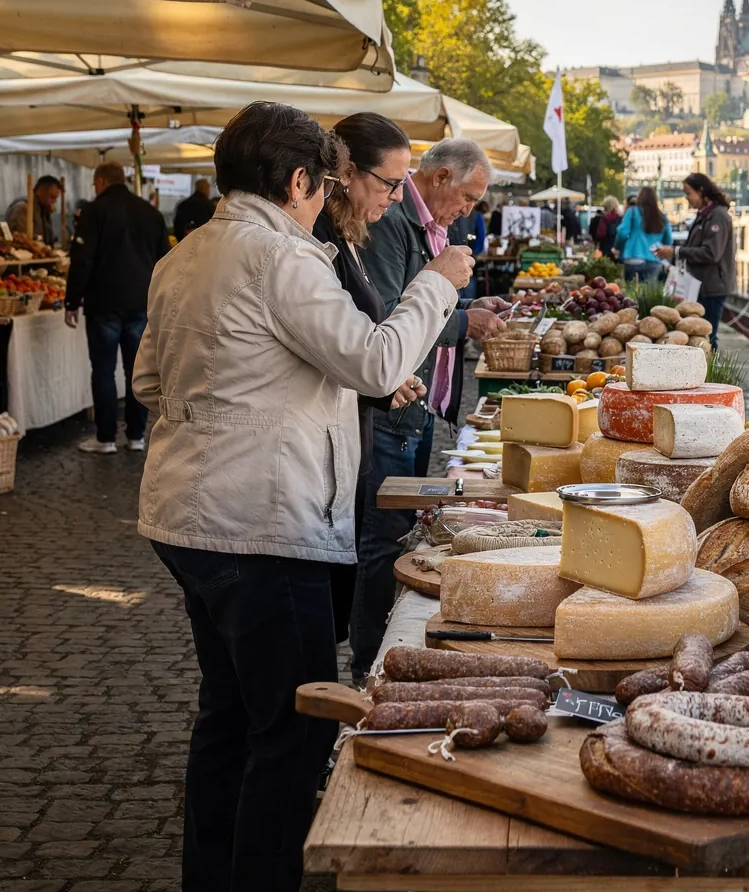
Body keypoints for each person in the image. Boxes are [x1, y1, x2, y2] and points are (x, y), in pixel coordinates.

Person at [134, 101, 471, 891]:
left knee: (228, 715)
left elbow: (149, 380)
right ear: (297, 182)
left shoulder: (186, 254)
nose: (325, 200)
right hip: (260, 520)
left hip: (189, 514)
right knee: (293, 727)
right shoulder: (281, 255)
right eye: (322, 185)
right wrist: (434, 284)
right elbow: (377, 360)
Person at [353, 138, 508, 679]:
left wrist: (468, 305)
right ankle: (370, 660)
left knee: (400, 533)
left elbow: (424, 299)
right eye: (468, 197)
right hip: (392, 406)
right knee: (383, 541)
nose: (469, 210)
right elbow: (392, 316)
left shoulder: (430, 226)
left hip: (414, 408)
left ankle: (382, 649)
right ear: (440, 177)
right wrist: (464, 322)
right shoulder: (394, 224)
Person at [317, 113, 428, 640]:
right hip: (317, 458)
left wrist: (385, 387)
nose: (399, 196)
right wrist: (437, 284)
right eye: (390, 183)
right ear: (346, 173)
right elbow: (356, 346)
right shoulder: (317, 243)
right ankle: (364, 653)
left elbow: (346, 347)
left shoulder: (348, 234)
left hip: (347, 432)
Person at [65, 161, 167, 454]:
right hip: (141, 303)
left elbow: (82, 259)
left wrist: (72, 301)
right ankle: (136, 436)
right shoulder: (150, 212)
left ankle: (106, 438)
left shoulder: (94, 211)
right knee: (137, 372)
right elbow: (165, 260)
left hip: (103, 303)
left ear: (100, 181)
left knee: (103, 371)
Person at [657, 172, 736, 347]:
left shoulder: (717, 216)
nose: (686, 198)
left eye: (688, 193)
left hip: (712, 286)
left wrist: (677, 251)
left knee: (707, 334)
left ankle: (710, 363)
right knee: (701, 333)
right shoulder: (705, 214)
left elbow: (711, 253)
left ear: (701, 191)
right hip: (702, 284)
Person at [615, 185, 672, 282]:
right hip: (654, 259)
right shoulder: (662, 217)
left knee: (631, 289)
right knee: (649, 290)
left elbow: (622, 232)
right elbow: (668, 241)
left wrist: (617, 247)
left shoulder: (632, 212)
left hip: (633, 257)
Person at [4, 175, 65, 247]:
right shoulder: (22, 208)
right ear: (39, 192)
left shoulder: (43, 208)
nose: (54, 202)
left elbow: (50, 239)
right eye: (52, 197)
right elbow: (21, 240)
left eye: (56, 198)